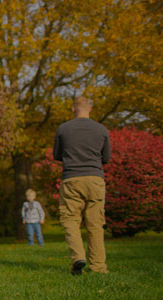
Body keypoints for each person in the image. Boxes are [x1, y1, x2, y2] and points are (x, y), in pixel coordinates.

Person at [53, 96, 111, 275]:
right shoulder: (101, 130)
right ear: (90, 108)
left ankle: (78, 257)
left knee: (70, 219)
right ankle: (98, 267)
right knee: (95, 224)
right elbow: (106, 158)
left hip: (71, 178)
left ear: (73, 109)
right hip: (95, 179)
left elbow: (57, 155)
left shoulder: (63, 129)